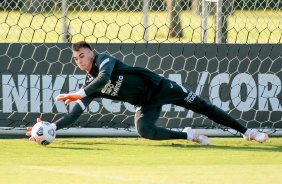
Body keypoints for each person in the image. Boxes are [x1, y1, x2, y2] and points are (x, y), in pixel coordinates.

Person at [26, 41, 269, 145]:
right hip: (145, 102)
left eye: (82, 55)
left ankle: (248, 132)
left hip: (161, 87)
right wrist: (53, 127)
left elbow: (105, 78)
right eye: (75, 58)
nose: (79, 60)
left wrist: (80, 92)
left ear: (91, 53)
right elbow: (74, 114)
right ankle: (188, 136)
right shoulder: (89, 83)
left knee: (203, 106)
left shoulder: (104, 60)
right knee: (144, 130)